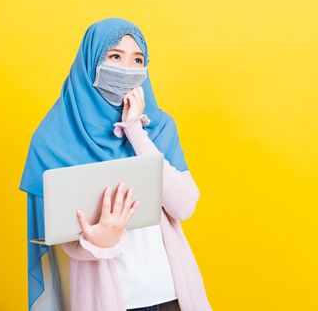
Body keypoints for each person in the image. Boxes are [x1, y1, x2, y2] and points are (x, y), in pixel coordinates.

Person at [18, 17, 212, 311]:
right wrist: (100, 242)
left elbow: (183, 205)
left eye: (138, 59)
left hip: (171, 292)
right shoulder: (52, 139)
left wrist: (135, 131)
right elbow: (58, 235)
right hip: (107, 300)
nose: (128, 68)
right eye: (114, 56)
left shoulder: (158, 127)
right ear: (90, 62)